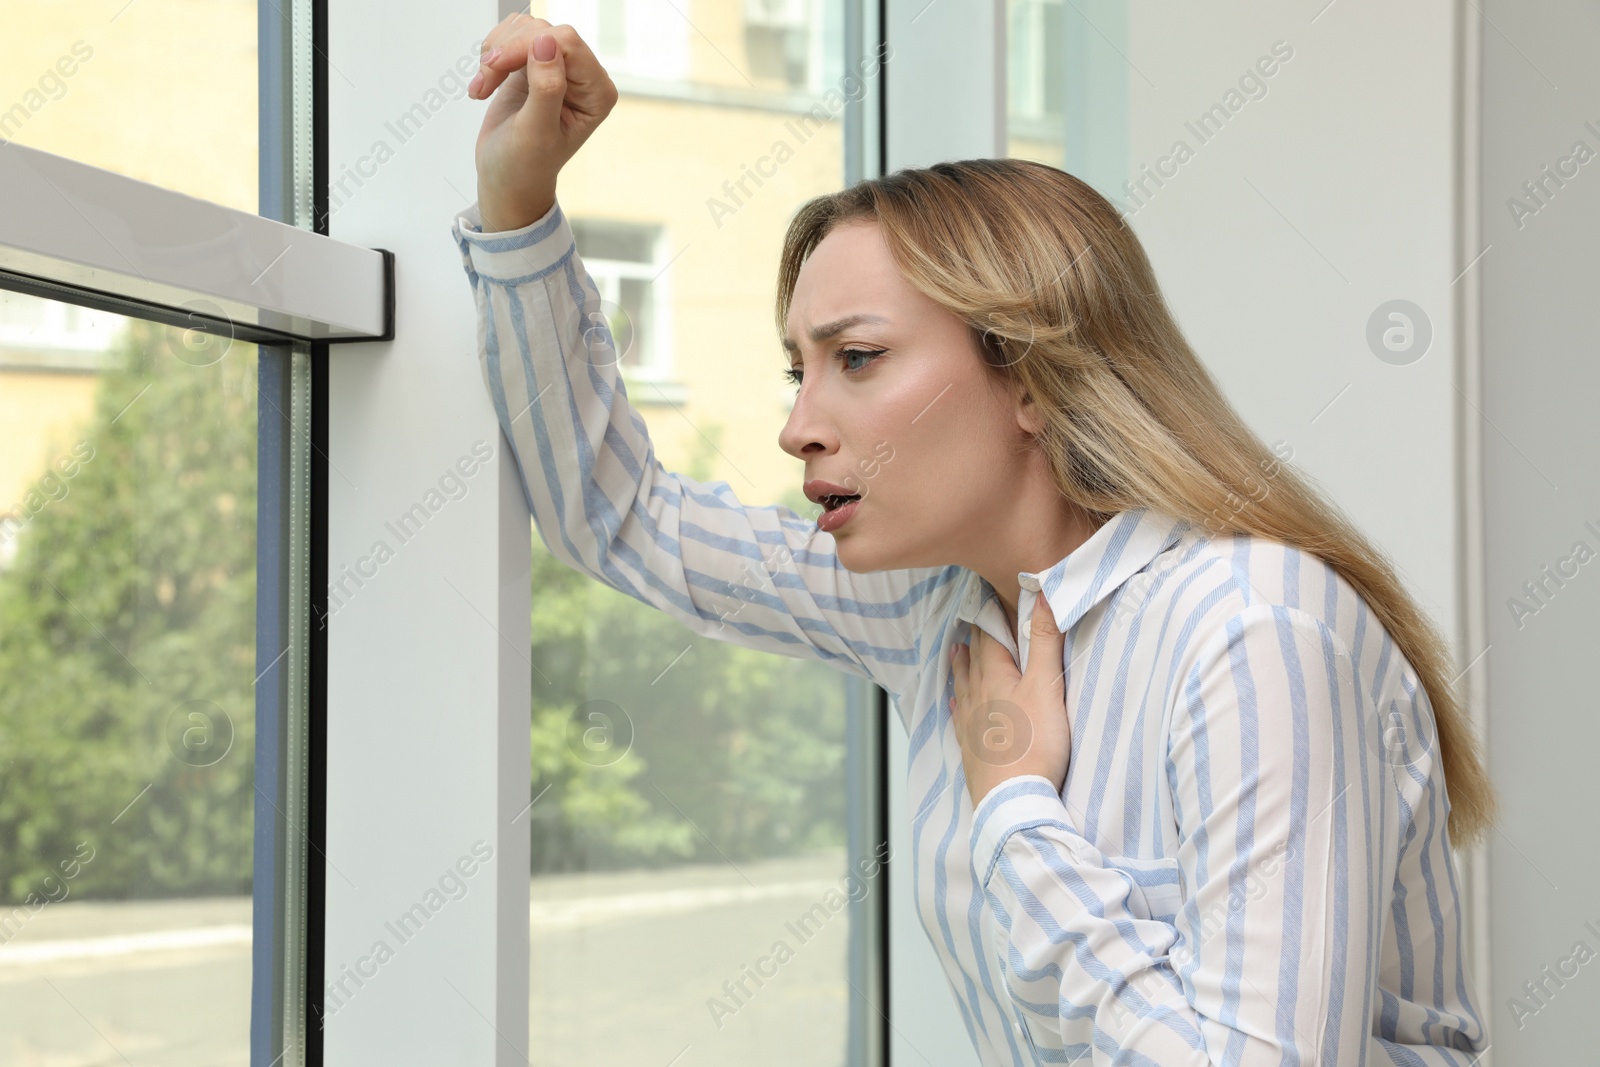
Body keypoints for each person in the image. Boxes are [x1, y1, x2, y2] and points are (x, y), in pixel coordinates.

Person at [456, 16, 1496, 1065]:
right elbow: (620, 514)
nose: (796, 424)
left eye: (856, 358)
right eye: (796, 369)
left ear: (1033, 379)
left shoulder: (1251, 632)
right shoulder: (940, 608)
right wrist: (518, 204)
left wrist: (1015, 809)